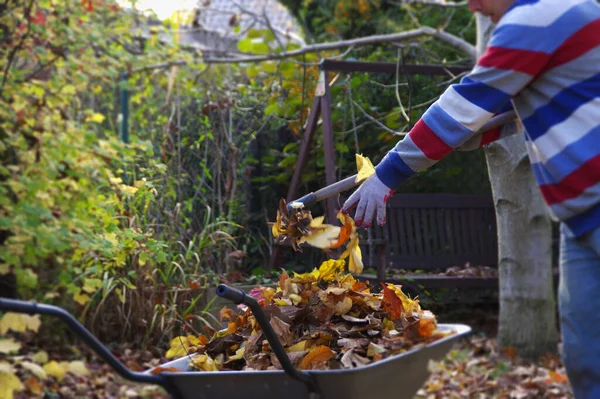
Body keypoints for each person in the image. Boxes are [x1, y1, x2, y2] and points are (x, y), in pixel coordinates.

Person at [341, 0, 600, 397]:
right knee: (586, 357)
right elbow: (530, 105)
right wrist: (471, 132)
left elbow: (464, 104)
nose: (472, 5)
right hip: (578, 217)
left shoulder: (537, 18)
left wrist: (388, 174)